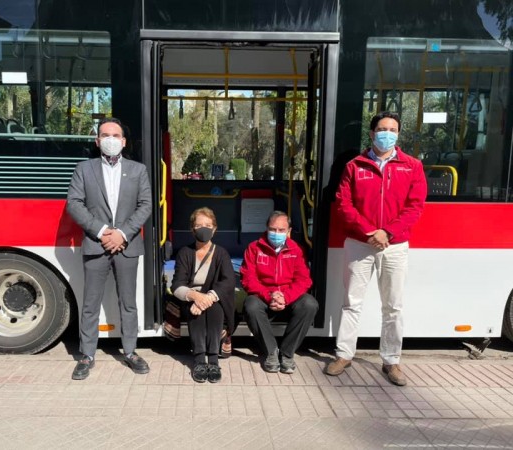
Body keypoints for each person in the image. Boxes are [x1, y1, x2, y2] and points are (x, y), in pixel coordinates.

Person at [326, 111, 427, 386]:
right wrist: (371, 232)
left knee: (393, 306)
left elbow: (415, 206)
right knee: (351, 303)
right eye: (382, 129)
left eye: (392, 129)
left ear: (398, 134)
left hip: (395, 246)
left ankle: (391, 361)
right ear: (372, 134)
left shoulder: (412, 166)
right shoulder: (354, 166)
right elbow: (343, 204)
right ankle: (344, 354)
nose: (387, 133)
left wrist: (388, 232)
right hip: (360, 243)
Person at [66, 117, 152, 380]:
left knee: (128, 303)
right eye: (105, 135)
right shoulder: (84, 169)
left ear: (124, 142)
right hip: (96, 244)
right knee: (90, 303)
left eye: (115, 135)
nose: (111, 139)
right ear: (97, 140)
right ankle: (87, 355)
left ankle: (130, 352)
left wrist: (122, 234)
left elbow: (146, 205)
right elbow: (74, 204)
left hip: (127, 245)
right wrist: (104, 232)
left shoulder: (138, 170)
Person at [240, 211, 318, 374]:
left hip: (288, 297)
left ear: (288, 231)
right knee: (250, 305)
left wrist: (285, 297)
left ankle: (287, 354)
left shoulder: (296, 250)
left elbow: (304, 280)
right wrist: (269, 296)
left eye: (281, 230)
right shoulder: (254, 248)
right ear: (266, 229)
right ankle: (271, 352)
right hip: (264, 296)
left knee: (310, 304)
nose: (277, 233)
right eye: (273, 229)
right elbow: (248, 278)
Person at [170, 207, 236, 383]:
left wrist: (209, 297)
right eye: (199, 225)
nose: (204, 229)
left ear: (214, 229)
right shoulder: (185, 253)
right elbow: (176, 284)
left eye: (208, 225)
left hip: (213, 298)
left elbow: (229, 281)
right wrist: (194, 296)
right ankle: (199, 360)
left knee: (214, 309)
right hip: (191, 298)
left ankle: (213, 360)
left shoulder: (221, 253)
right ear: (192, 229)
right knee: (195, 311)